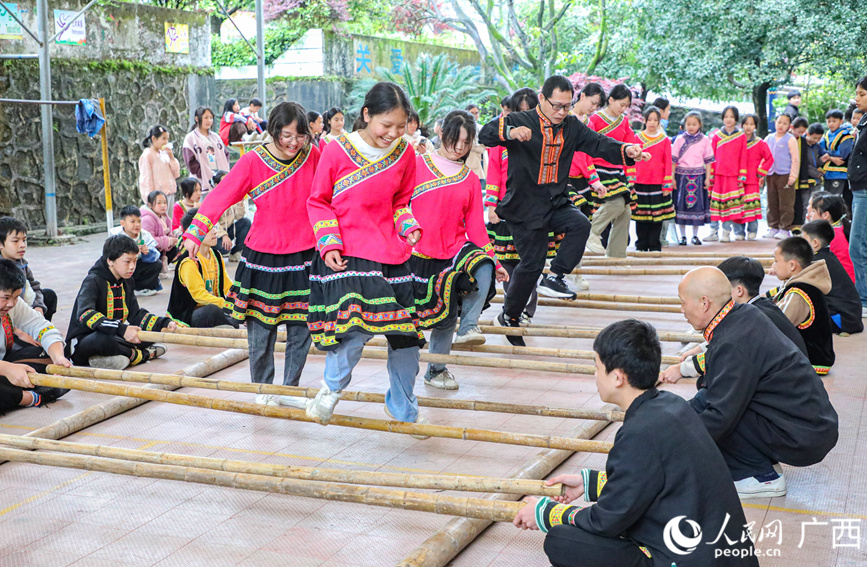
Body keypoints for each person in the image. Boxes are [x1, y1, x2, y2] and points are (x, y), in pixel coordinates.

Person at [513, 319, 758, 566]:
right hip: (727, 556)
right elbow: (651, 476)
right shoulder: (670, 405)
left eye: (597, 367)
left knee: (563, 541)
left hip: (688, 558)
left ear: (618, 377)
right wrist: (590, 485)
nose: (595, 374)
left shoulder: (640, 432)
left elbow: (607, 520)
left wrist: (544, 513)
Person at [479, 76, 646, 342]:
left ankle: (555, 276)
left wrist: (627, 150)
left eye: (567, 107)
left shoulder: (571, 126)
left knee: (580, 224)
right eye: (557, 106)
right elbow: (484, 134)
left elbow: (598, 144)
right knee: (530, 265)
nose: (561, 112)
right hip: (523, 206)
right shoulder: (521, 120)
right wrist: (510, 133)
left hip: (556, 200)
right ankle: (510, 315)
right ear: (542, 99)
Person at [183, 102, 319, 408]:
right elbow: (221, 195)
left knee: (303, 326)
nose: (294, 142)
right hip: (263, 256)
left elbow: (330, 190)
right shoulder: (253, 160)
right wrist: (194, 232)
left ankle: (290, 389)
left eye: (301, 136)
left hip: (306, 254)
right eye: (287, 135)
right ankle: (263, 388)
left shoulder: (313, 155)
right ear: (272, 131)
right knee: (261, 327)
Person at [306, 82, 426, 427]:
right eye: (386, 125)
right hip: (348, 253)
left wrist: (409, 226)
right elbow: (318, 200)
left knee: (405, 335)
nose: (394, 134)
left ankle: (404, 406)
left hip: (391, 252)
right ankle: (329, 392)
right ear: (366, 115)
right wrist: (329, 243)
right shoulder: (335, 149)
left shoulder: (406, 154)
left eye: (401, 127)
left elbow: (401, 202)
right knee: (354, 329)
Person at [675, 267, 838, 498]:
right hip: (807, 423)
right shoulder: (742, 315)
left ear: (704, 303)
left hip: (803, 433)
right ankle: (760, 464)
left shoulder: (733, 341)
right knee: (706, 394)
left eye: (683, 303)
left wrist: (673, 443)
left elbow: (720, 415)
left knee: (718, 413)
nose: (681, 310)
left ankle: (761, 477)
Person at [409, 110, 508, 390]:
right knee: (408, 320)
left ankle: (460, 338)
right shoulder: (416, 164)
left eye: (466, 142)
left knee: (480, 268)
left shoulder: (469, 179)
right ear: (441, 133)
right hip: (413, 254)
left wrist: (495, 261)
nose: (460, 148)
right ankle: (404, 375)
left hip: (452, 252)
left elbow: (476, 227)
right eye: (456, 140)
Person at [486, 88, 568, 326]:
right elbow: (493, 175)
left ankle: (525, 310)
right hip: (507, 211)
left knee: (532, 263)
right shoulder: (501, 140)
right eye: (519, 111)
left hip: (536, 213)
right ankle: (511, 308)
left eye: (529, 110)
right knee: (509, 263)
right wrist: (492, 206)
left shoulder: (550, 138)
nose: (524, 116)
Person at [661, 256, 808, 384]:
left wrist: (682, 369)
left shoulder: (753, 318)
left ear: (738, 291)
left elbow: (727, 351)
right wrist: (699, 349)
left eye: (722, 287)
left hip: (785, 383)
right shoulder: (758, 308)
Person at [67, 235, 175, 370]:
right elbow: (85, 314)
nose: (132, 267)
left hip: (115, 335)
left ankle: (119, 357)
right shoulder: (93, 280)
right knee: (105, 339)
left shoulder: (127, 280)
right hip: (89, 341)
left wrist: (164, 323)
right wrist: (122, 329)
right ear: (110, 261)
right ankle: (143, 355)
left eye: (135, 261)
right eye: (127, 261)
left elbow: (135, 315)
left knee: (150, 333)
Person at [0, 259, 70, 414]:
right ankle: (31, 397)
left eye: (16, 297)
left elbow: (43, 327)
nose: (11, 304)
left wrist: (58, 357)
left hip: (6, 361)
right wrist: (6, 369)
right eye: (6, 297)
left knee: (56, 355)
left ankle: (18, 391)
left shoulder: (13, 304)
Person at [585, 84, 641, 258]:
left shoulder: (624, 121)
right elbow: (586, 145)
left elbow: (630, 145)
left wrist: (640, 153)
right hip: (599, 169)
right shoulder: (594, 119)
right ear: (610, 100)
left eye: (626, 106)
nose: (623, 109)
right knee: (616, 203)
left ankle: (617, 256)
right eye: (621, 104)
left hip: (617, 171)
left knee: (626, 211)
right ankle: (590, 231)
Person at [768, 236, 835, 375]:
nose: (773, 265)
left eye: (776, 261)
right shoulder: (804, 283)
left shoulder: (798, 293)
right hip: (818, 358)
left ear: (792, 265)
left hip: (810, 361)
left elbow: (774, 325)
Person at [169, 208, 237, 329]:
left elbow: (227, 285)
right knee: (213, 311)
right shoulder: (189, 261)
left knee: (237, 308)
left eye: (214, 226)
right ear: (193, 232)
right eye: (208, 228)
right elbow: (199, 295)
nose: (215, 231)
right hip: (189, 315)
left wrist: (240, 299)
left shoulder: (216, 255)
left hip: (214, 308)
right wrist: (226, 304)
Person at [800, 220, 863, 335]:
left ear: (815, 243)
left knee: (802, 303)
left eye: (803, 241)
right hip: (851, 317)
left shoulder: (817, 263)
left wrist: (769, 295)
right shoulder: (826, 256)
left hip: (843, 319)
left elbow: (797, 284)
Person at [632, 105, 675, 251]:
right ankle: (641, 244)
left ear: (659, 122)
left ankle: (655, 244)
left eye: (655, 120)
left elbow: (668, 162)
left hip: (658, 183)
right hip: (640, 182)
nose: (652, 123)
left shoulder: (664, 140)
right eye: (649, 119)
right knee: (640, 216)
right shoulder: (636, 138)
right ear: (644, 120)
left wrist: (667, 184)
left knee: (657, 216)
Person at [0, 217, 57, 321]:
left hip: (25, 308)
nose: (22, 245)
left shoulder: (22, 264)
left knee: (49, 295)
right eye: (15, 241)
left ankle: (41, 331)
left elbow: (35, 286)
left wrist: (38, 306)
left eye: (24, 240)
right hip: (8, 312)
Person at [672, 111, 714, 245]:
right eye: (688, 124)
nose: (691, 126)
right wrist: (672, 178)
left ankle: (695, 236)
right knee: (681, 207)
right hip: (681, 177)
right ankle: (682, 236)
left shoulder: (705, 140)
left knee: (697, 207)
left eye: (694, 124)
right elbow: (673, 161)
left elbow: (708, 161)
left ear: (700, 125)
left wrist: (708, 178)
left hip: (699, 177)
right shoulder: (679, 140)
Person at [707, 106, 747, 242]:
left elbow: (743, 156)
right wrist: (710, 175)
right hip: (718, 175)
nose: (728, 119)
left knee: (730, 205)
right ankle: (713, 231)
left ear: (736, 119)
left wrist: (742, 176)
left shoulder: (741, 136)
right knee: (716, 204)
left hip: (734, 176)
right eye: (726, 116)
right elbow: (711, 157)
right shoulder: (717, 136)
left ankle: (726, 232)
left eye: (731, 117)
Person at [567, 83, 606, 219]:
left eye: (597, 106)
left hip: (582, 181)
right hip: (565, 179)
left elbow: (588, 157)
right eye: (593, 103)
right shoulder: (565, 118)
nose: (594, 108)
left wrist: (596, 182)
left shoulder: (590, 124)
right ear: (582, 96)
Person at [109, 205, 162, 296]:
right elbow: (111, 254)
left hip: (138, 264)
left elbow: (155, 255)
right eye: (132, 221)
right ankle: (121, 287)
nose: (137, 225)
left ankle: (141, 288)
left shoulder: (145, 235)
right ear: (123, 223)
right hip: (123, 265)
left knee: (157, 264)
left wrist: (147, 252)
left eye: (139, 221)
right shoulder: (116, 235)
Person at [763, 113, 800, 239]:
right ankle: (773, 226)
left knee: (786, 203)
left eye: (785, 123)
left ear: (789, 126)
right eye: (779, 122)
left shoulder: (790, 139)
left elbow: (795, 159)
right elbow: (763, 157)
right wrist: (762, 173)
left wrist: (793, 176)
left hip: (785, 174)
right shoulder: (768, 138)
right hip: (770, 174)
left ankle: (785, 228)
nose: (781, 125)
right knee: (771, 201)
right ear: (775, 122)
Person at [849, 75, 867, 318]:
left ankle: (863, 299)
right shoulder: (863, 120)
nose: (857, 99)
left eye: (862, 94)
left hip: (864, 190)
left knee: (857, 246)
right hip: (858, 189)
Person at [807, 192, 854, 282]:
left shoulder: (830, 235)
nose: (810, 215)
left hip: (840, 283)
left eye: (813, 211)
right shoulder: (841, 229)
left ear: (825, 215)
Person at [183, 106, 231, 193]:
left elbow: (225, 153)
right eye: (205, 117)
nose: (209, 120)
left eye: (211, 118)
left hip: (220, 180)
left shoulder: (215, 136)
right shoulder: (191, 138)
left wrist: (223, 172)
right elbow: (190, 161)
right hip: (202, 183)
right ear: (197, 119)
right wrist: (202, 173)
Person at [208, 170, 252, 262]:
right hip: (216, 233)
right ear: (217, 185)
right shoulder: (212, 198)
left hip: (228, 229)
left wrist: (240, 204)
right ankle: (212, 254)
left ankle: (236, 252)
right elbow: (212, 222)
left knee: (246, 222)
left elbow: (239, 217)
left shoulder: (232, 195)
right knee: (223, 249)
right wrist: (224, 235)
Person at [740, 114, 772, 240]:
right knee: (739, 206)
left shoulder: (759, 143)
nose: (748, 127)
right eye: (746, 123)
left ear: (755, 126)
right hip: (738, 180)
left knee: (751, 206)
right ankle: (739, 232)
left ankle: (752, 230)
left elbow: (769, 158)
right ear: (742, 125)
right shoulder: (737, 141)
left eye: (751, 124)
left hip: (752, 179)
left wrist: (761, 172)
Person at [819, 109, 855, 212]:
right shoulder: (826, 135)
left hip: (839, 173)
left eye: (834, 121)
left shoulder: (846, 136)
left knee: (835, 198)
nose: (831, 124)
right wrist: (831, 156)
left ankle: (838, 220)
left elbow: (842, 155)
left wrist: (828, 155)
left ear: (841, 121)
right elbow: (820, 150)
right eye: (828, 121)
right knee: (827, 197)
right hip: (827, 173)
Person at [138, 124, 180, 209]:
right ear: (154, 139)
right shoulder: (147, 155)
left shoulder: (164, 153)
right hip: (157, 199)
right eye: (163, 138)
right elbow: (146, 180)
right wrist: (150, 199)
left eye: (167, 139)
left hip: (169, 194)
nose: (166, 142)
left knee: (169, 221)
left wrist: (171, 157)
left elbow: (176, 174)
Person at [790, 117, 820, 231]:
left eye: (803, 132)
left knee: (800, 202)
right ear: (792, 127)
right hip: (786, 175)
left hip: (801, 177)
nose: (801, 134)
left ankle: (797, 226)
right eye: (799, 131)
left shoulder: (803, 141)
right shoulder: (787, 138)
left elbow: (806, 161)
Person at [140, 190, 178, 276]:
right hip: (148, 251)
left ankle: (160, 269)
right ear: (150, 205)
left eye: (165, 202)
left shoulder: (164, 217)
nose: (163, 205)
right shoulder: (147, 219)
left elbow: (169, 233)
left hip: (161, 249)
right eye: (159, 203)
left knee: (175, 248)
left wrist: (173, 238)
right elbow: (150, 240)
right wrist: (168, 241)